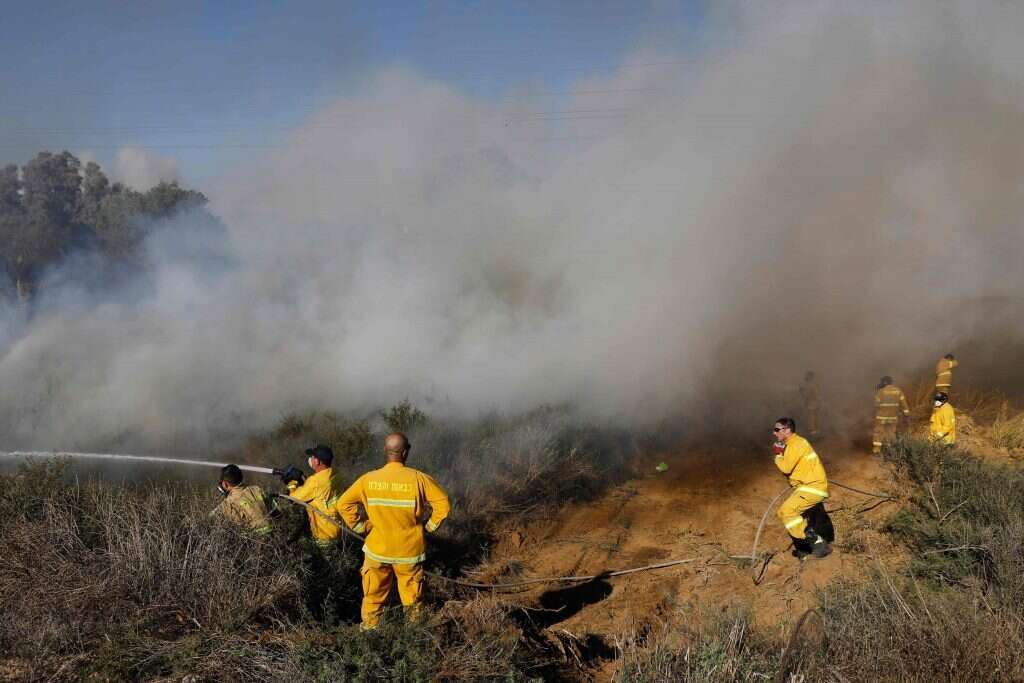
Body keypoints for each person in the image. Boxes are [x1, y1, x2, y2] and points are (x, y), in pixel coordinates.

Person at [336, 432, 451, 630]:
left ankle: (371, 638)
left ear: (385, 451)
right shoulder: (419, 479)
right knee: (413, 602)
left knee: (373, 597)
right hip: (409, 552)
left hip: (377, 550)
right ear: (405, 453)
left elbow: (343, 504)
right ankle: (414, 638)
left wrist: (360, 527)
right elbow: (443, 506)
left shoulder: (368, 479)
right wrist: (428, 528)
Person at [772, 417, 832, 559]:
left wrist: (778, 454)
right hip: (806, 487)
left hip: (812, 486)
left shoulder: (796, 444)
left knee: (787, 511)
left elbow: (786, 467)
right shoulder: (794, 444)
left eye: (776, 430)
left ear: (787, 430)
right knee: (792, 516)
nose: (774, 433)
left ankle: (818, 544)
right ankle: (804, 548)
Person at [279, 444, 344, 546]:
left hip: (324, 535)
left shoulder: (315, 482)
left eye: (312, 457)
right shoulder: (335, 473)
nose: (310, 459)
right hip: (337, 529)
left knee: (326, 560)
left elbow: (293, 499)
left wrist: (292, 483)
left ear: (317, 461)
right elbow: (318, 491)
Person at [213, 464, 274, 533]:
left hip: (254, 539)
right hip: (274, 533)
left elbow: (211, 517)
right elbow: (276, 511)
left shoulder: (228, 503)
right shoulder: (257, 489)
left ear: (226, 484)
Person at [872, 376, 911, 455]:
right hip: (893, 417)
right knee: (891, 433)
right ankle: (890, 451)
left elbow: (875, 404)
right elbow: (904, 404)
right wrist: (906, 414)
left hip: (881, 417)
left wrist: (877, 392)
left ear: (884, 382)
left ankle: (877, 451)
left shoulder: (881, 392)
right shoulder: (898, 391)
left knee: (878, 433)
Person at [799, 371, 821, 436]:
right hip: (814, 402)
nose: (805, 377)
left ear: (810, 377)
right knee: (814, 416)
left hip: (812, 402)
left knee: (811, 417)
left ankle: (813, 432)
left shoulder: (811, 384)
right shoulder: (813, 384)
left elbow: (809, 394)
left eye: (807, 376)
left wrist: (802, 391)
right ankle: (816, 430)